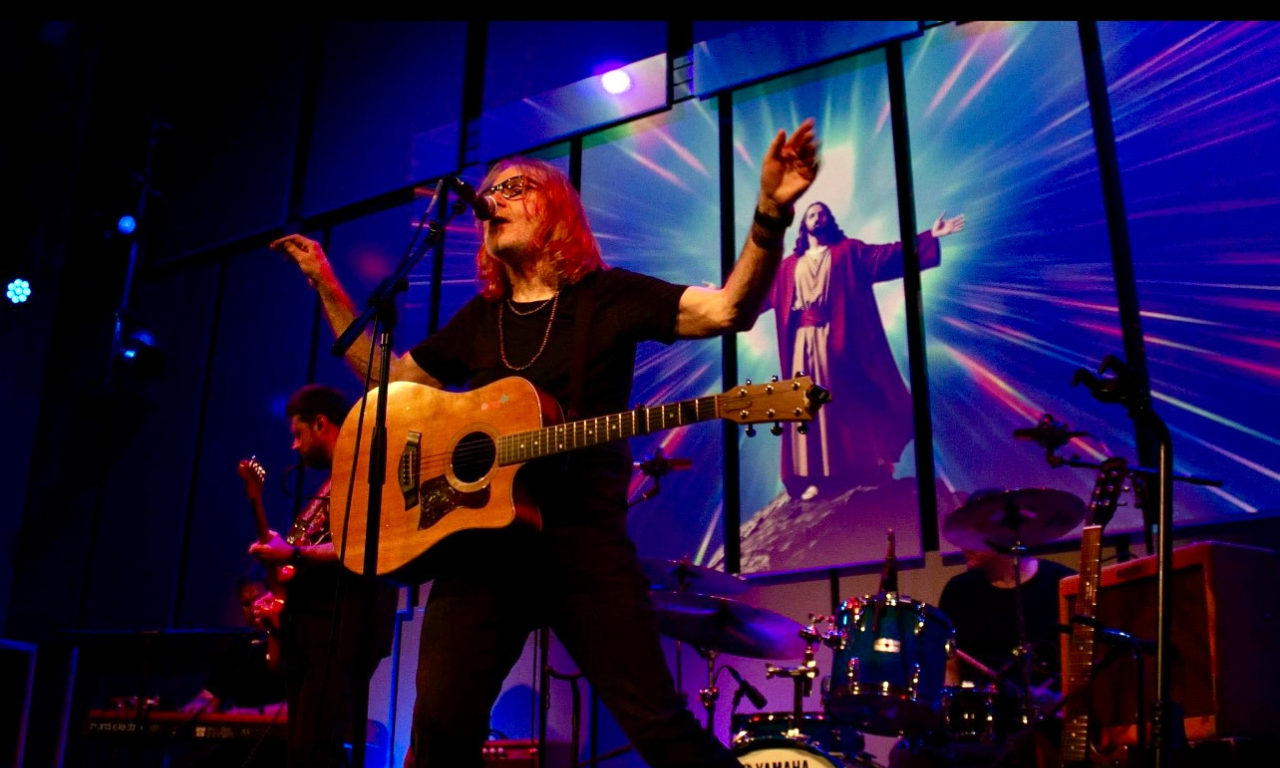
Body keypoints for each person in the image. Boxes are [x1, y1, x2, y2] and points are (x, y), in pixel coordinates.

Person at [270, 118, 820, 768]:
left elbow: (729, 309)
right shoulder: (481, 319)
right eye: (490, 192)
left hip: (581, 547)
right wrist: (326, 283)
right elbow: (384, 380)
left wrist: (769, 214)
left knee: (660, 728)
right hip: (480, 553)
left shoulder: (609, 297)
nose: (492, 200)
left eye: (514, 188)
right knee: (438, 733)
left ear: (556, 211)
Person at [762, 200, 965, 500]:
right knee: (805, 407)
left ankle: (854, 470)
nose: (817, 218)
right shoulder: (787, 267)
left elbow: (888, 256)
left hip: (839, 343)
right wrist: (721, 294)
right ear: (803, 225)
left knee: (844, 404)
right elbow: (756, 294)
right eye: (811, 214)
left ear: (829, 220)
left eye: (822, 213)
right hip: (801, 347)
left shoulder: (848, 252)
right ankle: (814, 477)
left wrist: (929, 237)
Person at [246, 383, 400, 768]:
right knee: (303, 751)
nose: (294, 445)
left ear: (320, 424)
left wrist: (294, 553)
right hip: (311, 633)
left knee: (317, 749)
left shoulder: (366, 472)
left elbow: (365, 545)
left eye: (298, 434)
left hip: (343, 628)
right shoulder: (331, 482)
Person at [938, 546, 1076, 738]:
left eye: (970, 535)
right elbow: (950, 668)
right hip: (977, 733)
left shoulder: (1062, 584)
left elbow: (1085, 671)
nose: (962, 545)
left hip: (1053, 729)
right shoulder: (958, 591)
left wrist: (1061, 700)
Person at [176, 576, 287, 768]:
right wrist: (194, 708)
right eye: (246, 604)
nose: (253, 609)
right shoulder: (240, 647)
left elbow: (299, 707)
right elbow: (209, 695)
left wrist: (251, 715)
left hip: (282, 749)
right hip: (241, 746)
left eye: (258, 599)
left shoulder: (293, 642)